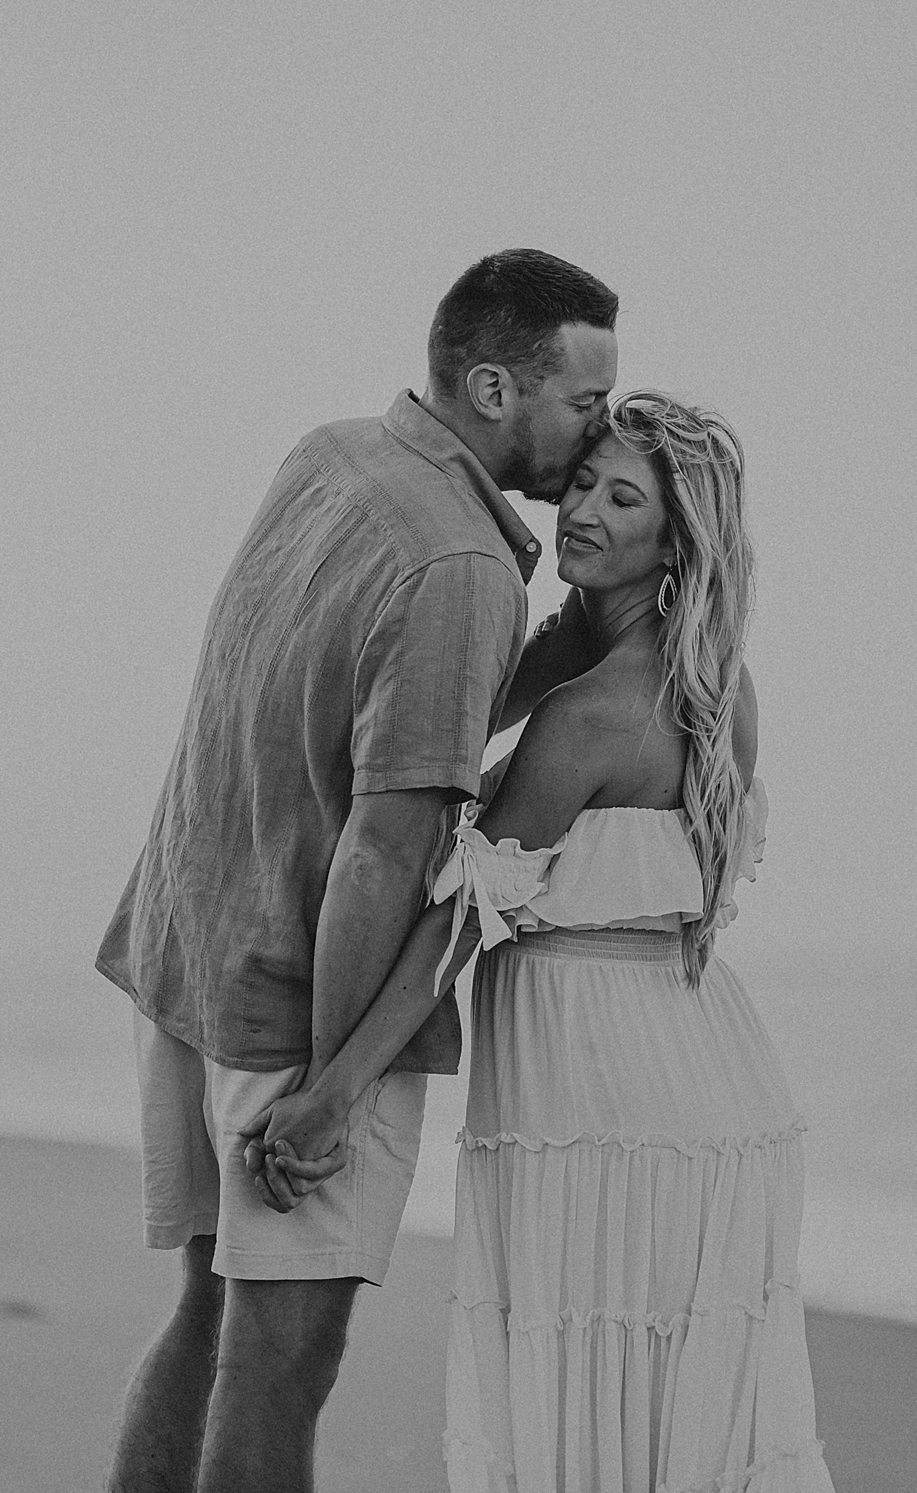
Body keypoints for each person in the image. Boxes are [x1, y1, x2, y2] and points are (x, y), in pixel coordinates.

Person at [243, 393, 837, 1493]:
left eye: (624, 498)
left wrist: (333, 1089)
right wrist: (558, 638)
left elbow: (459, 921)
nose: (583, 512)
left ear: (676, 540)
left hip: (602, 1096)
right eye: (581, 483)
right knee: (662, 1414)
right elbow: (440, 742)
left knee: (582, 1397)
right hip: (698, 1071)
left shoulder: (595, 715)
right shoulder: (713, 682)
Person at [97, 248, 619, 1493]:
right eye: (584, 399)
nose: (597, 427)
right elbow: (388, 843)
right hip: (295, 1003)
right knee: (280, 1366)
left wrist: (542, 660)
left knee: (208, 1315)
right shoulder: (464, 570)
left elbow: (343, 701)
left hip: (187, 942)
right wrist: (334, 1087)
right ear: (494, 387)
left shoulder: (332, 457)